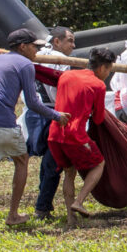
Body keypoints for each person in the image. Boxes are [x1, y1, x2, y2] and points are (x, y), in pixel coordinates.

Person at [0, 28, 69, 236]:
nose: (37, 51)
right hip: (0, 120)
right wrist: (57, 116)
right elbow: (32, 102)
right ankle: (13, 214)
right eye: (34, 46)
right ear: (23, 47)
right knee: (22, 160)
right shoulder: (25, 64)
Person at [48, 46, 116, 226]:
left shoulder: (66, 76)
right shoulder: (98, 85)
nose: (108, 74)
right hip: (75, 136)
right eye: (109, 70)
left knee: (69, 173)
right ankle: (79, 201)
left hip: (55, 134)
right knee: (99, 163)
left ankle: (72, 220)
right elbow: (100, 118)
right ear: (102, 68)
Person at [20, 26, 75, 220]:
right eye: (70, 40)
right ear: (57, 41)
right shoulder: (59, 60)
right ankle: (42, 208)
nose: (73, 45)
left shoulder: (31, 57)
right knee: (53, 163)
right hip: (50, 114)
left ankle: (43, 205)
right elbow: (57, 88)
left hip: (31, 114)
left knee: (48, 163)